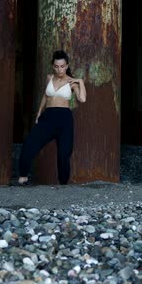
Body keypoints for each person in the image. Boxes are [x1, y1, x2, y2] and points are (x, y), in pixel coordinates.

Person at [17, 50, 86, 185]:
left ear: (67, 66)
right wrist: (38, 114)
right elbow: (46, 96)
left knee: (63, 154)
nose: (59, 69)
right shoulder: (49, 78)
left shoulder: (72, 82)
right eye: (56, 66)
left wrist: (80, 81)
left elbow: (82, 99)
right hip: (48, 116)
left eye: (62, 66)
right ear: (53, 66)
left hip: (64, 118)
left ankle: (63, 184)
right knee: (30, 143)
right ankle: (23, 175)